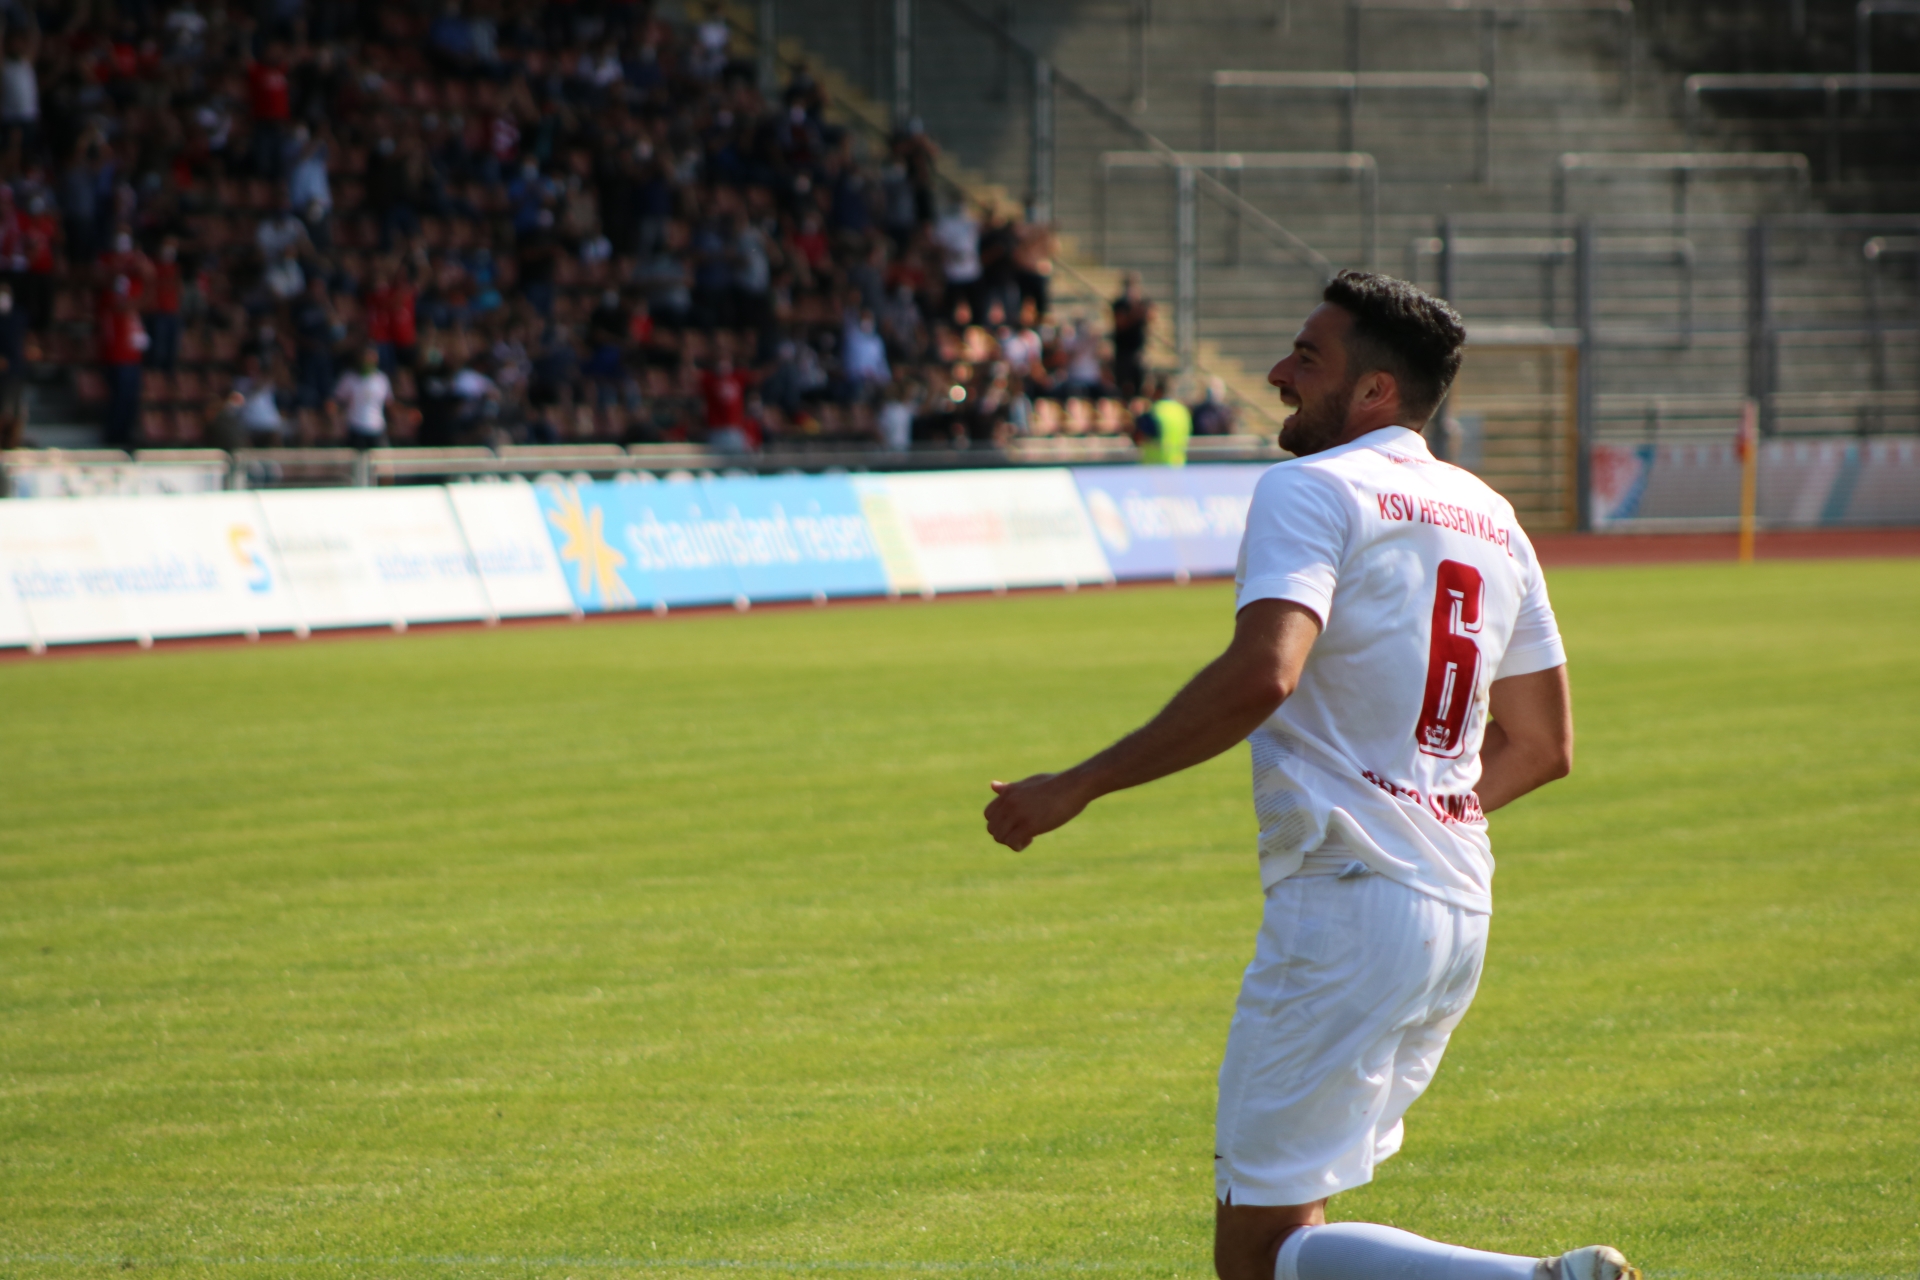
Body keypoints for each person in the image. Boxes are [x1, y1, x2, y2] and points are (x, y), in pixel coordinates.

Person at [984, 272, 1639, 1280]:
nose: (1278, 373)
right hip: (1455, 906)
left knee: (1257, 1252)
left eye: (1307, 356)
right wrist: (1427, 808)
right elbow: (1544, 744)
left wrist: (1079, 782)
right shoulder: (1493, 516)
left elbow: (1266, 672)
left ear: (1376, 390)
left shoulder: (1312, 488)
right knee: (1297, 1227)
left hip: (1348, 905)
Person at [332, 347, 395, 449]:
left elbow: (389, 403)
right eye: (365, 358)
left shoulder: (382, 379)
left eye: (371, 358)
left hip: (377, 428)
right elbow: (337, 401)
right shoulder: (349, 378)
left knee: (382, 457)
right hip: (355, 428)